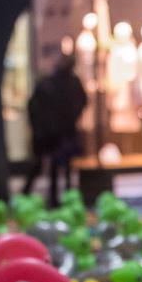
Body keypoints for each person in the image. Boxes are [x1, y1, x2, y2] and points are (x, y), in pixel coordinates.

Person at [24, 56, 88, 207]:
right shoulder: (51, 83)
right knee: (49, 166)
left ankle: (59, 198)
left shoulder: (63, 83)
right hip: (52, 133)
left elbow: (82, 102)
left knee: (58, 166)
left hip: (59, 132)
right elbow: (34, 107)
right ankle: (47, 197)